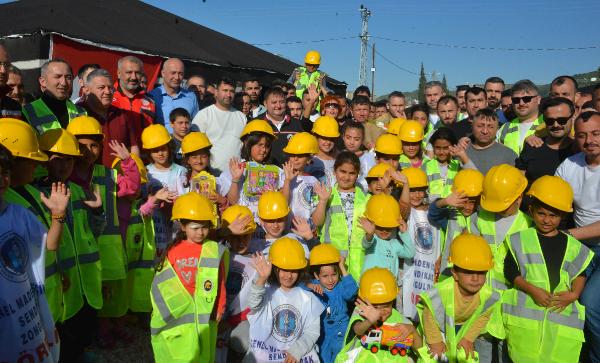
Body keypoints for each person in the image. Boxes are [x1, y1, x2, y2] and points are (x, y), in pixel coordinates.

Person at [503, 176, 593, 363]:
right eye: (541, 213)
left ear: (563, 217)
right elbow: (511, 272)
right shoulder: (519, 239)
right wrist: (531, 289)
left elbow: (580, 274)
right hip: (526, 328)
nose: (546, 220)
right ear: (531, 211)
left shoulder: (573, 245)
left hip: (561, 324)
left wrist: (574, 295)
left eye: (553, 216)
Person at [0, 120, 67, 362]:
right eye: (31, 160)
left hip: (28, 311)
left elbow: (49, 244)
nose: (2, 181)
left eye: (4, 173)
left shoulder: (18, 209)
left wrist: (58, 216)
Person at [36, 128, 104, 361]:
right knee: (61, 336)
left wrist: (98, 212)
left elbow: (93, 233)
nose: (65, 166)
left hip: (82, 280)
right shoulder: (36, 196)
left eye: (70, 160)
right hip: (57, 281)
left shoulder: (76, 190)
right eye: (59, 160)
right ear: (44, 159)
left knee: (82, 326)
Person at [150, 193, 227, 363]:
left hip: (205, 312)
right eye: (195, 227)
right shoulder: (173, 251)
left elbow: (219, 279)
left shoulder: (213, 250)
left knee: (204, 352)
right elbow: (164, 284)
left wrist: (220, 306)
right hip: (181, 313)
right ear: (183, 227)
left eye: (205, 227)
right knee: (184, 353)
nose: (200, 232)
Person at [555, 110, 600, 362]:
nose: (589, 140)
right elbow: (554, 201)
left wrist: (568, 233)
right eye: (582, 135)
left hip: (586, 243)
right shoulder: (570, 164)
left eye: (595, 133)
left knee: (591, 304)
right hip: (580, 249)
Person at [417, 233, 504, 363]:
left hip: (463, 328)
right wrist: (435, 341)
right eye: (468, 272)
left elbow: (483, 317)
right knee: (434, 358)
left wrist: (469, 338)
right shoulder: (442, 291)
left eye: (481, 272)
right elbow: (429, 314)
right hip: (437, 328)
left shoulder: (487, 296)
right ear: (455, 274)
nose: (475, 278)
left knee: (465, 357)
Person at [248, 237, 324, 362]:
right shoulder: (265, 292)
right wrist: (261, 279)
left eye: (294, 271)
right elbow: (253, 304)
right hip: (264, 355)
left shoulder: (308, 298)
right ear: (274, 267)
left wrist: (297, 350)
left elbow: (312, 332)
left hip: (297, 355)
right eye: (284, 270)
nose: (288, 276)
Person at [335, 267, 423, 362]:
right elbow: (357, 330)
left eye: (386, 306)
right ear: (364, 301)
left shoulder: (402, 321)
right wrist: (369, 321)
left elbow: (419, 350)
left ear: (393, 300)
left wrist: (413, 330)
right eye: (375, 307)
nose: (381, 311)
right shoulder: (362, 311)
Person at [476, 164, 532, 293]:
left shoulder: (529, 226)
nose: (496, 210)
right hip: (480, 293)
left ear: (519, 197)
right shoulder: (478, 218)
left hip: (510, 297)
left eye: (502, 206)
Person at [313, 151, 368, 281]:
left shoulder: (366, 199)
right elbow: (317, 222)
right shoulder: (326, 195)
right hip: (331, 263)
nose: (346, 177)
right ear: (334, 171)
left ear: (357, 174)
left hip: (359, 263)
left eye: (352, 173)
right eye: (342, 171)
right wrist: (323, 201)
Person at [305, 244, 358, 363]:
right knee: (324, 358)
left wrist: (342, 267)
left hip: (342, 332)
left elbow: (352, 292)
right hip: (323, 335)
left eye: (334, 274)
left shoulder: (340, 286)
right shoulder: (314, 286)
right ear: (316, 276)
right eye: (325, 276)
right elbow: (298, 287)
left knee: (342, 358)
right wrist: (309, 285)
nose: (330, 280)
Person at [400, 167, 441, 320]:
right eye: (412, 190)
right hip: (409, 270)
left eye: (420, 190)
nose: (417, 195)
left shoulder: (433, 212)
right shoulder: (404, 212)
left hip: (430, 270)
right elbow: (403, 212)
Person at [222, 119, 283, 222]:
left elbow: (283, 201)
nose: (264, 150)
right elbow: (232, 201)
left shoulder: (277, 171)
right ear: (248, 143)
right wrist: (235, 179)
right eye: (260, 145)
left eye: (267, 146)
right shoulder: (236, 167)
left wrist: (274, 196)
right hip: (244, 225)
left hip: (267, 227)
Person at [429, 169, 484, 281]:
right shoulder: (451, 214)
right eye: (464, 201)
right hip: (448, 276)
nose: (468, 207)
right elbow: (433, 213)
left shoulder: (484, 219)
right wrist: (444, 202)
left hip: (472, 278)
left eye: (473, 202)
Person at [81, 68, 141, 167]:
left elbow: (133, 147)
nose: (108, 92)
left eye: (110, 87)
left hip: (119, 179)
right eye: (101, 88)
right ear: (87, 90)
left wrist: (135, 172)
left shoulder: (122, 115)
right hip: (85, 178)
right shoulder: (78, 113)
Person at [142, 124, 186, 253]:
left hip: (175, 227)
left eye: (163, 149)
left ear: (169, 148)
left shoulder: (180, 171)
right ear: (149, 152)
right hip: (154, 226)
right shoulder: (145, 172)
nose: (160, 153)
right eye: (155, 150)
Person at [516, 97, 576, 189]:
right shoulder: (532, 146)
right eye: (550, 121)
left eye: (562, 120)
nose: (556, 125)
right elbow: (518, 183)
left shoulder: (579, 150)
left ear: (572, 118)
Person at [192, 77, 247, 173]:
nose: (228, 94)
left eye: (232, 91)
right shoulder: (204, 115)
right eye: (225, 90)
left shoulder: (242, 117)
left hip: (235, 174)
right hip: (210, 173)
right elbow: (194, 146)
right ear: (216, 92)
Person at [23, 59, 87, 132]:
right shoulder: (27, 112)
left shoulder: (81, 112)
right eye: (57, 77)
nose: (64, 83)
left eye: (68, 77)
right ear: (43, 81)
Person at [360, 194, 414, 277]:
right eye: (380, 226)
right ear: (371, 223)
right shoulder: (373, 240)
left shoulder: (395, 244)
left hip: (389, 287)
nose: (384, 230)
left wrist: (404, 233)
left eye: (388, 227)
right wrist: (370, 234)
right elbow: (366, 243)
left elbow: (410, 253)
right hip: (370, 287)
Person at [451, 108, 517, 175]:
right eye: (480, 126)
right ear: (472, 126)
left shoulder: (508, 155)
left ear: (497, 129)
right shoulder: (460, 151)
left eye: (490, 127)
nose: (485, 131)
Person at [257, 87, 305, 166]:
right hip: (264, 173)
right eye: (274, 102)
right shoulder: (257, 123)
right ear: (265, 103)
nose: (278, 106)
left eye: (282, 102)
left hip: (291, 173)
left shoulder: (297, 124)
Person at [149, 58, 199, 131]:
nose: (177, 77)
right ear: (163, 73)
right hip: (161, 141)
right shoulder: (152, 96)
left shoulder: (191, 97)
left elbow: (194, 123)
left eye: (180, 73)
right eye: (173, 73)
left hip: (185, 141)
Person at [498, 79, 542, 155]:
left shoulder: (549, 123)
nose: (521, 103)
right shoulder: (505, 128)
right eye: (516, 100)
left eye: (526, 99)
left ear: (538, 99)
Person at [112, 55, 156, 129]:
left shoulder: (150, 101)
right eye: (129, 72)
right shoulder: (107, 97)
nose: (134, 77)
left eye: (137, 73)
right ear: (119, 73)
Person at [423, 127, 460, 203]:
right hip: (432, 211)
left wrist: (462, 155)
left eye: (446, 148)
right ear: (433, 147)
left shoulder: (459, 166)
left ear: (453, 146)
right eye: (438, 148)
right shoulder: (426, 166)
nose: (441, 152)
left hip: (453, 212)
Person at [340, 122, 375, 189]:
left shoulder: (369, 158)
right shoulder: (338, 156)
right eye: (348, 138)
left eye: (356, 139)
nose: (352, 142)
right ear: (343, 137)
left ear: (362, 140)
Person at [306, 115, 339, 186]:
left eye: (331, 139)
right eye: (324, 138)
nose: (328, 142)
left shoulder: (339, 159)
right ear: (315, 136)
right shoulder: (307, 159)